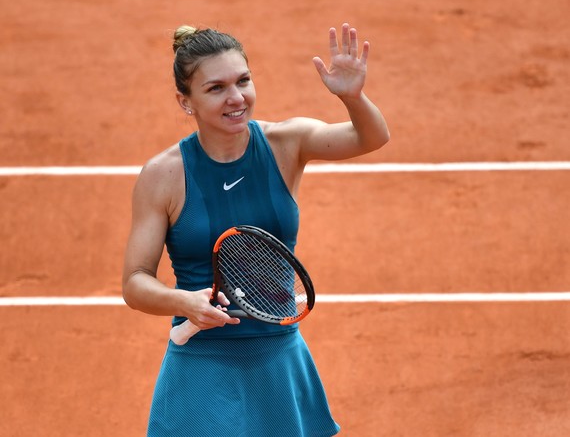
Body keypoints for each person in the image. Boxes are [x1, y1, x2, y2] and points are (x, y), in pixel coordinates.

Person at [122, 22, 390, 436]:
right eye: (216, 88)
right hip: (201, 363)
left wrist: (353, 99)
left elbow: (370, 137)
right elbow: (135, 282)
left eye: (243, 80)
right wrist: (184, 302)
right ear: (185, 101)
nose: (236, 98)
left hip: (278, 358)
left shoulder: (288, 142)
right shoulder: (163, 176)